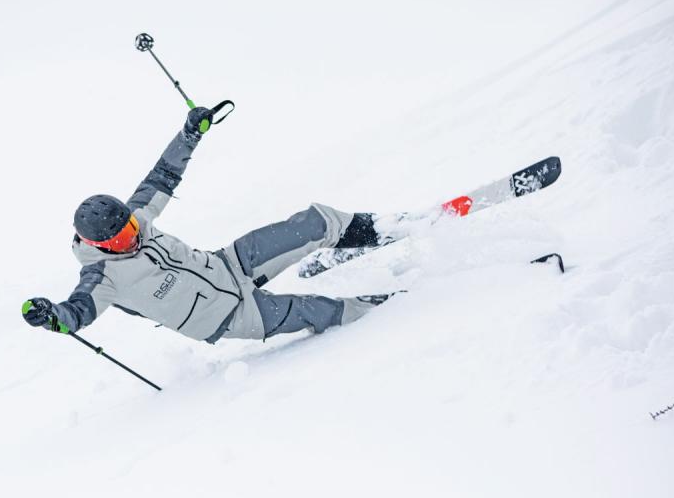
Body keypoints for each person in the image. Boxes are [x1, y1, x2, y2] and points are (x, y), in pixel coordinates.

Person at [22, 107, 398, 343]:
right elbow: (75, 314)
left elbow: (163, 175)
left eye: (131, 230)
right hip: (228, 318)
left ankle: (385, 230)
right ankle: (395, 312)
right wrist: (51, 317)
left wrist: (190, 134)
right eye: (120, 240)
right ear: (99, 245)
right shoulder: (100, 278)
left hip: (228, 264)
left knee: (312, 223)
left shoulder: (138, 217)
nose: (132, 239)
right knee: (322, 311)